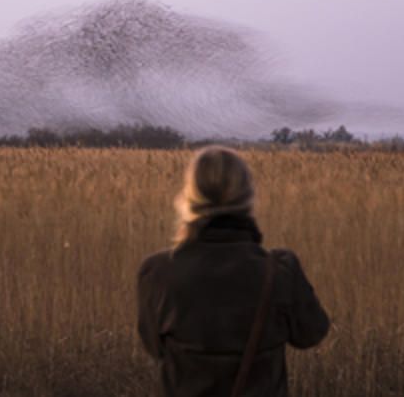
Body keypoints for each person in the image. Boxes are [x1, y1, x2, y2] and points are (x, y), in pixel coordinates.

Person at [137, 146, 329, 396]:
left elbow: (155, 347)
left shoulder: (158, 273)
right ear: (248, 197)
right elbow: (311, 334)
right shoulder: (279, 271)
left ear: (190, 198)